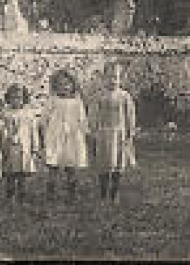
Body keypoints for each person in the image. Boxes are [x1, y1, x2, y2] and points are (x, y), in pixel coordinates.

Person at [93, 62, 137, 203]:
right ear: (104, 78)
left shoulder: (124, 96)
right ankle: (103, 193)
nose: (112, 81)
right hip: (104, 133)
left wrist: (130, 132)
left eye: (116, 77)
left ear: (120, 79)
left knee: (118, 162)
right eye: (109, 77)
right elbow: (94, 114)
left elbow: (130, 115)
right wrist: (94, 130)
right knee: (104, 163)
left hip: (120, 134)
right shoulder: (100, 95)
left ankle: (115, 192)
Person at [42, 68, 88, 201]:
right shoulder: (53, 100)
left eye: (67, 84)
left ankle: (71, 193)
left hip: (72, 136)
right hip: (55, 135)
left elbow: (82, 119)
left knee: (71, 165)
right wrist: (44, 131)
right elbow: (44, 118)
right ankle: (51, 192)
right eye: (60, 85)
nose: (64, 87)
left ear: (73, 85)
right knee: (53, 165)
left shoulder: (77, 101)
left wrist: (85, 133)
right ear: (55, 86)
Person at [0, 83, 41, 204]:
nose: (16, 101)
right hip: (10, 145)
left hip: (24, 146)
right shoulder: (4, 114)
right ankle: (10, 196)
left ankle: (22, 196)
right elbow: (1, 130)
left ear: (24, 99)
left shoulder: (29, 114)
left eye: (19, 98)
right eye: (13, 98)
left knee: (22, 173)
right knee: (10, 172)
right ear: (8, 98)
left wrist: (35, 147)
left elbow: (33, 131)